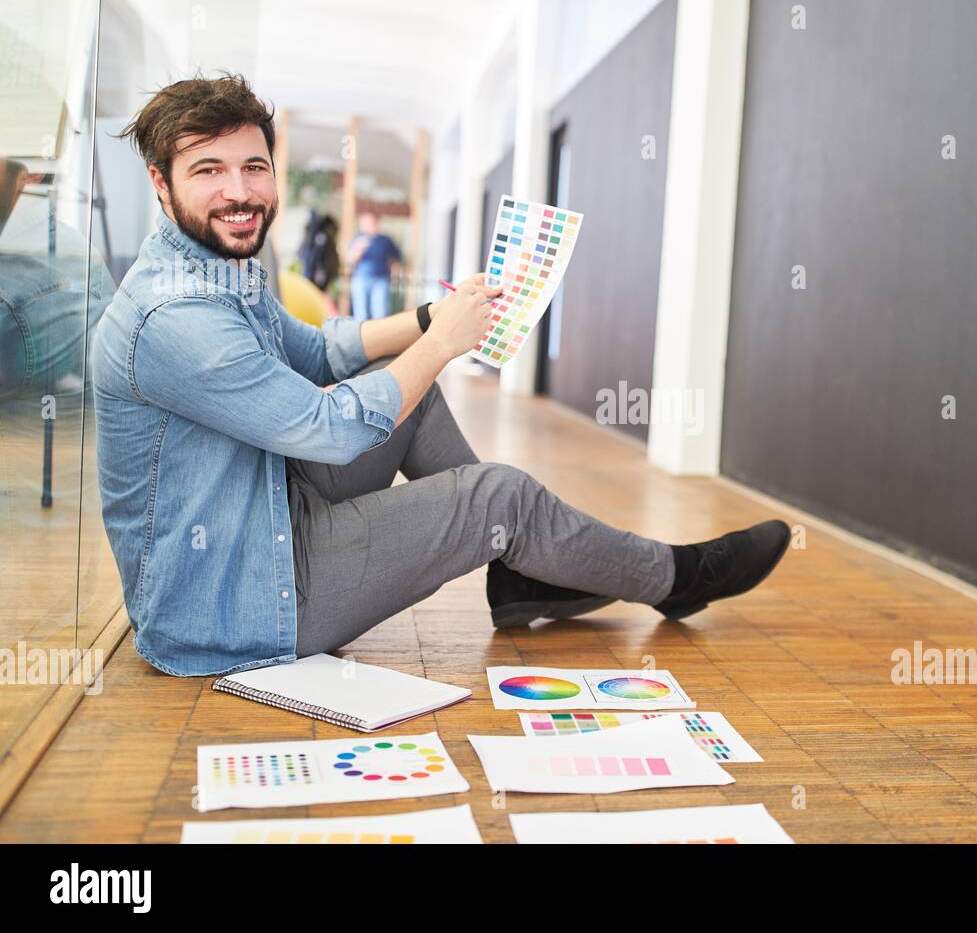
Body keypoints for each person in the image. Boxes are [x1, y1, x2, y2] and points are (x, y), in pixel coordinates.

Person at [91, 72, 790, 677]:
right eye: (208, 170)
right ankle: (675, 578)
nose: (239, 191)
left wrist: (432, 318)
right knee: (498, 497)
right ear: (162, 183)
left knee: (409, 391)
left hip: (265, 510)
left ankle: (518, 566)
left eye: (253, 166)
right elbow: (325, 430)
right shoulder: (175, 315)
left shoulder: (218, 263)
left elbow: (318, 350)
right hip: (235, 601)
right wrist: (444, 347)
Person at [346, 211, 401, 320]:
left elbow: (395, 258)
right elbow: (350, 259)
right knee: (361, 314)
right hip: (361, 279)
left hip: (380, 280)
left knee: (380, 313)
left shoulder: (385, 240)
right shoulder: (358, 239)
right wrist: (359, 249)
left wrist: (391, 271)